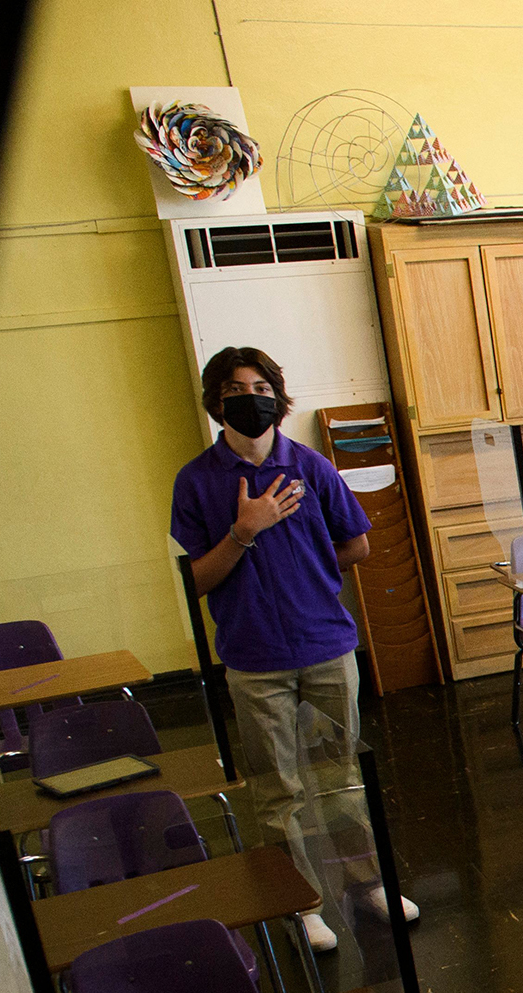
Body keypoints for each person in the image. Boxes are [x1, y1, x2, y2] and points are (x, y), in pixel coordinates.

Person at [170, 346, 415, 951]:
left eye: (260, 387)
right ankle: (300, 900)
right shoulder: (196, 482)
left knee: (341, 778)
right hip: (253, 660)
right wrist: (244, 531)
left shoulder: (312, 467)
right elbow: (194, 580)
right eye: (233, 389)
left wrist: (307, 565)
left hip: (326, 647)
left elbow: (356, 546)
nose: (248, 398)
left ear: (278, 398)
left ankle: (366, 883)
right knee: (276, 788)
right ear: (215, 401)